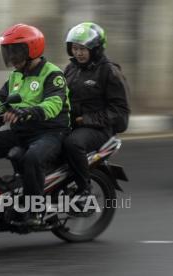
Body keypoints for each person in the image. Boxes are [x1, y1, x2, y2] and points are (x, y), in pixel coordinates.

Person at [0, 23, 71, 225]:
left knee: (32, 158)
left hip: (49, 133)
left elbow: (54, 104)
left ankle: (35, 211)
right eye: (8, 52)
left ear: (32, 50)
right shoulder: (16, 75)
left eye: (15, 52)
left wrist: (28, 111)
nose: (11, 58)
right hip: (21, 131)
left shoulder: (52, 74)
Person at [63, 22, 130, 196]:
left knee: (73, 143)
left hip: (99, 129)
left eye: (83, 49)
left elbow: (120, 112)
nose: (78, 53)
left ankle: (84, 189)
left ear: (96, 49)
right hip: (73, 124)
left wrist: (85, 119)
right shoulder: (71, 68)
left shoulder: (110, 72)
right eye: (75, 48)